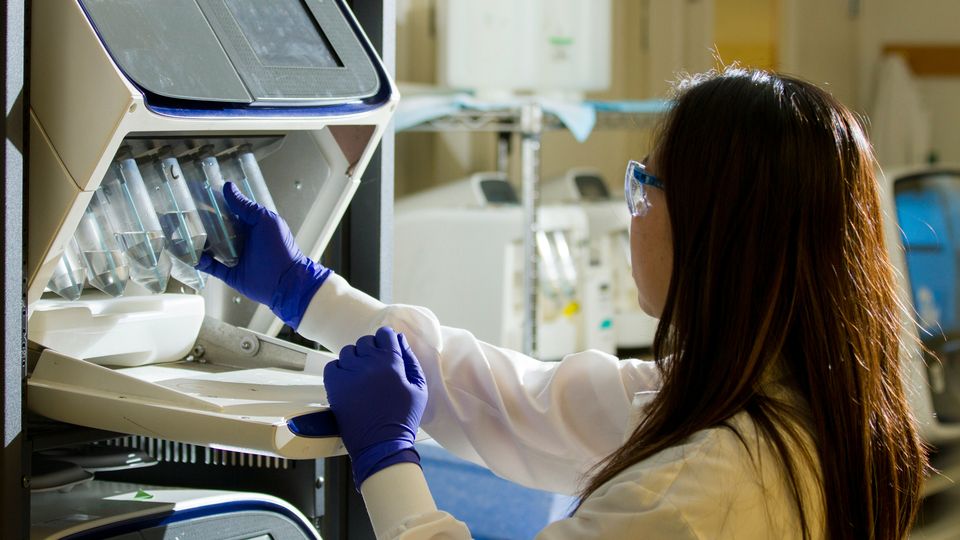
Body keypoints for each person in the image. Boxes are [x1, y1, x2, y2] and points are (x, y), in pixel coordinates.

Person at [198, 67, 928, 539]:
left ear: (716, 229)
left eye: (646, 186)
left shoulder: (699, 491)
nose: (633, 208)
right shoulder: (786, 405)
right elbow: (520, 401)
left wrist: (389, 462)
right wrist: (309, 293)